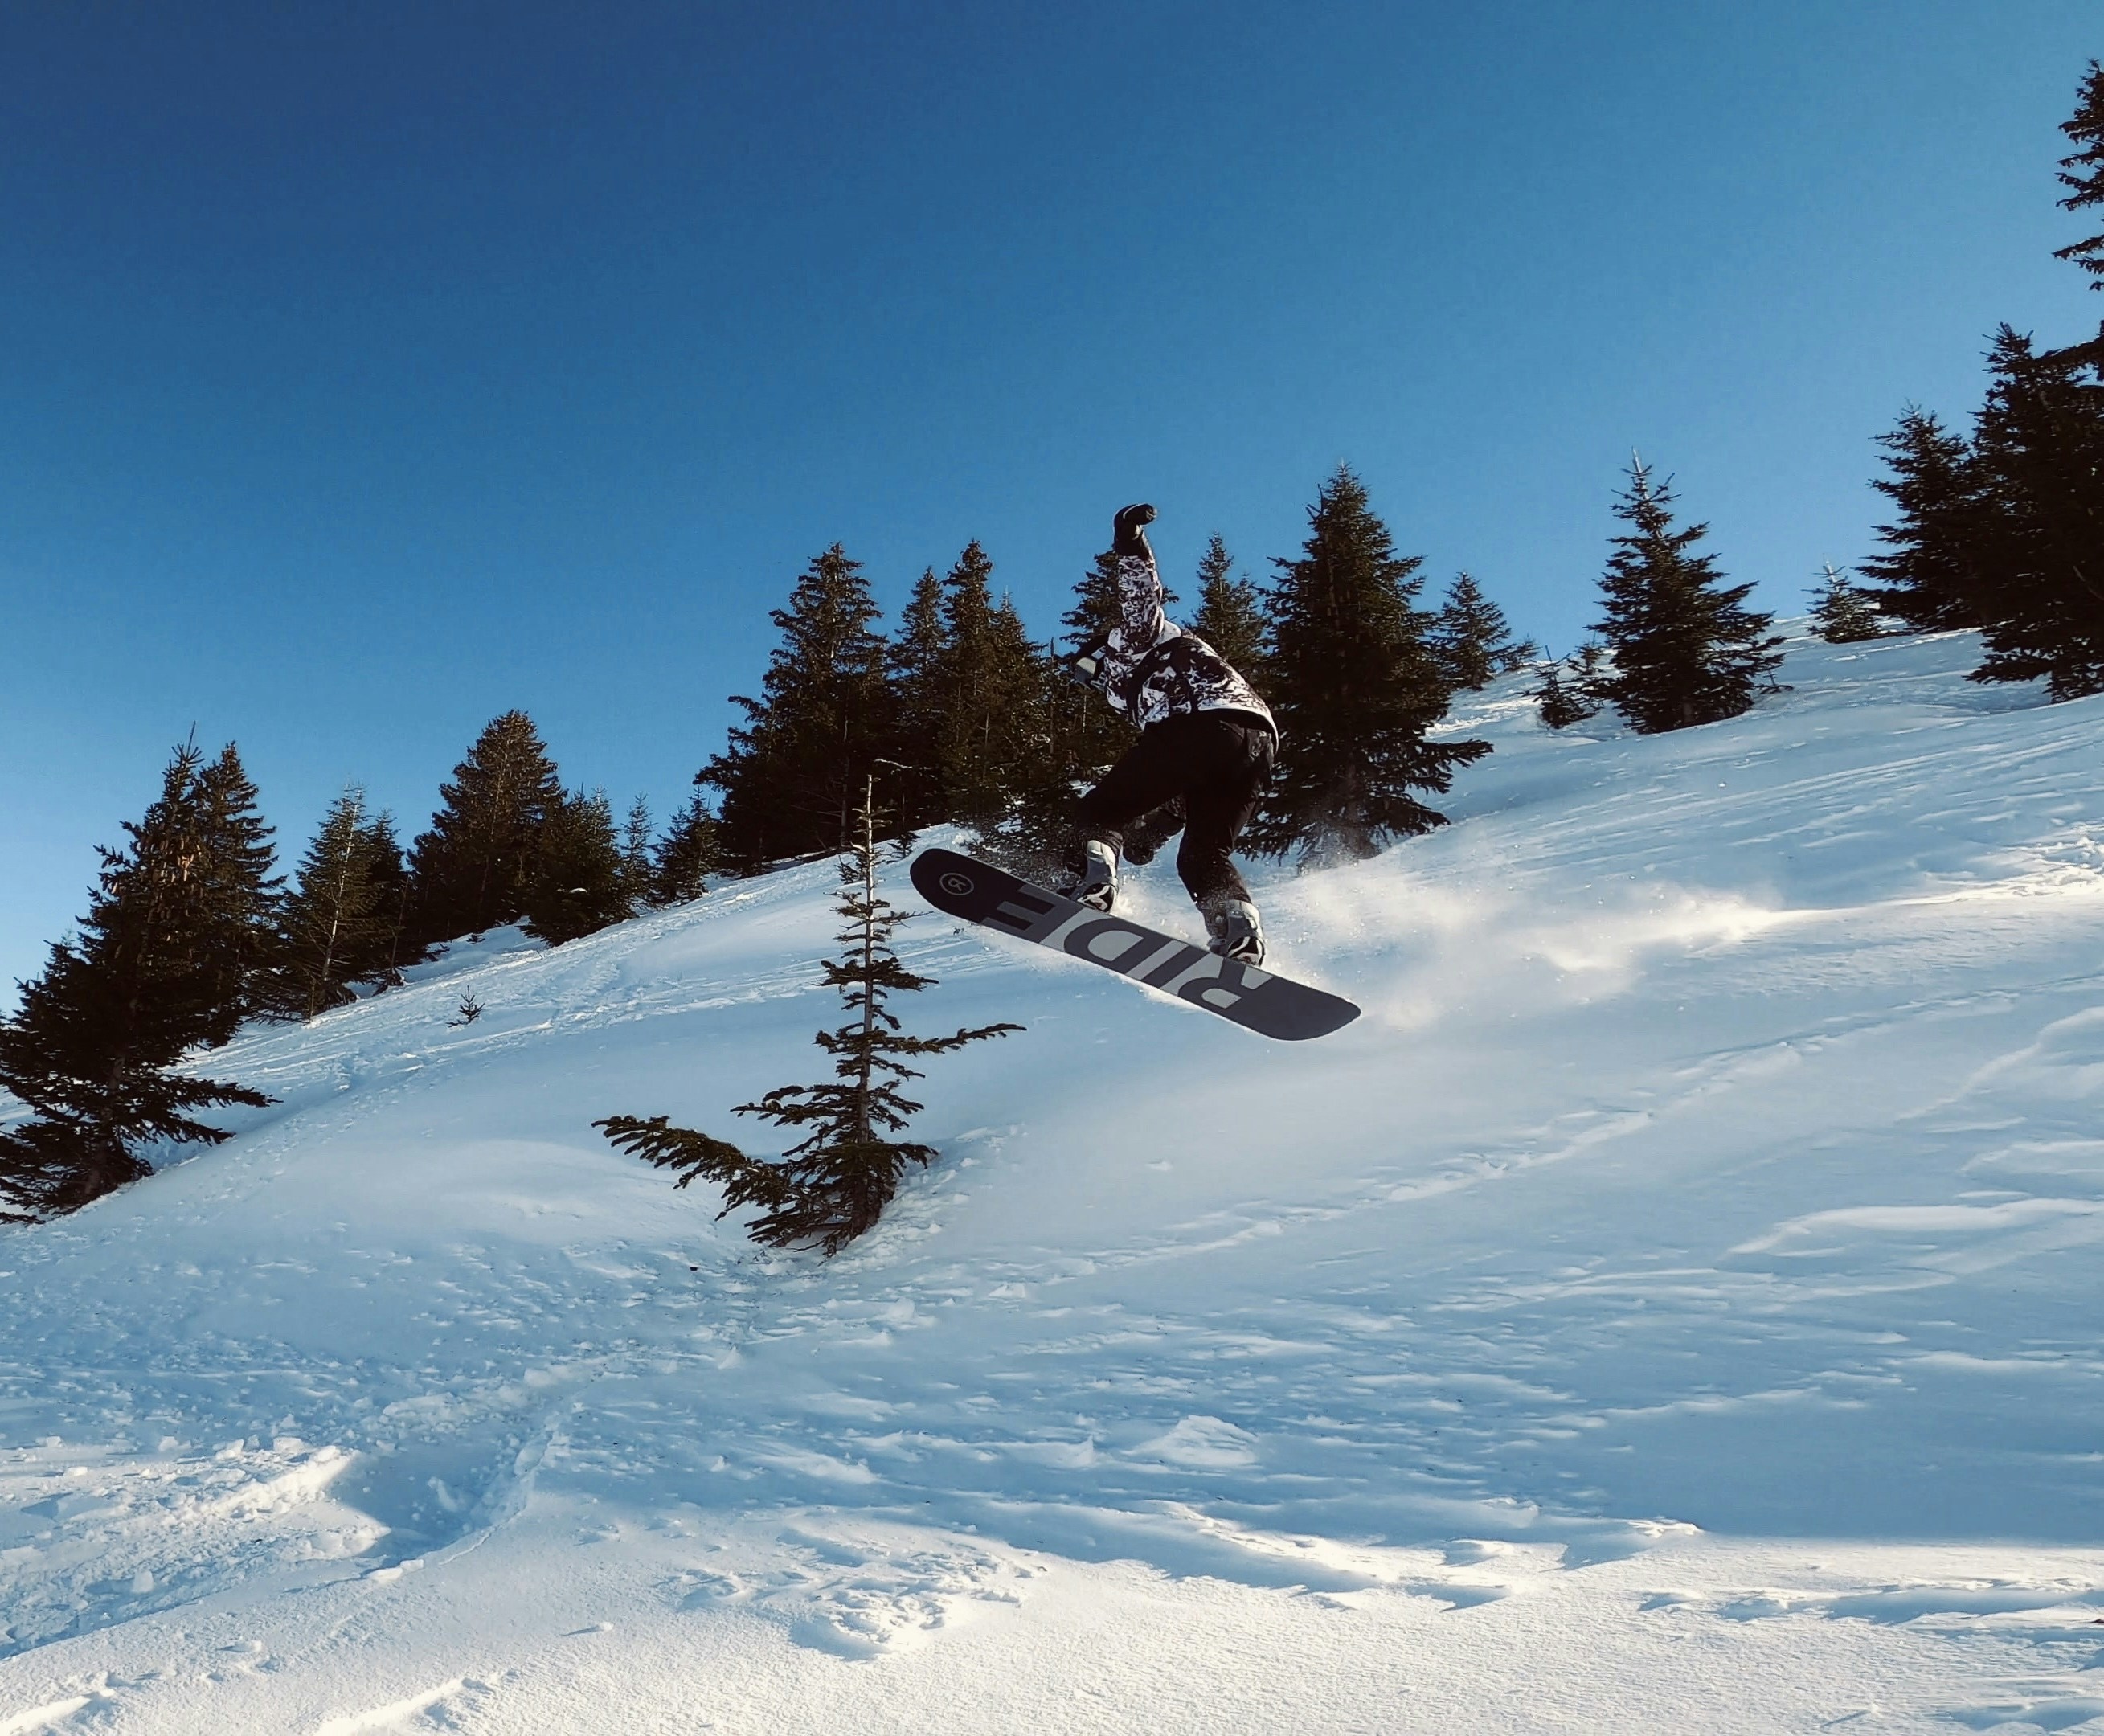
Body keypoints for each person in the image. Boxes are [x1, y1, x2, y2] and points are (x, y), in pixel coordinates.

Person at [1067, 503, 1277, 964]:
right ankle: (1238, 929)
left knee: (1101, 811)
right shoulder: (1152, 687)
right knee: (1203, 856)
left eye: (1087, 670)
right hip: (1255, 746)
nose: (1090, 682)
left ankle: (1094, 882)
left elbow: (1141, 593)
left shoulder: (1138, 639)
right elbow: (1192, 779)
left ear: (1105, 654)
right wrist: (1154, 833)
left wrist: (1129, 538)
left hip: (1202, 722)